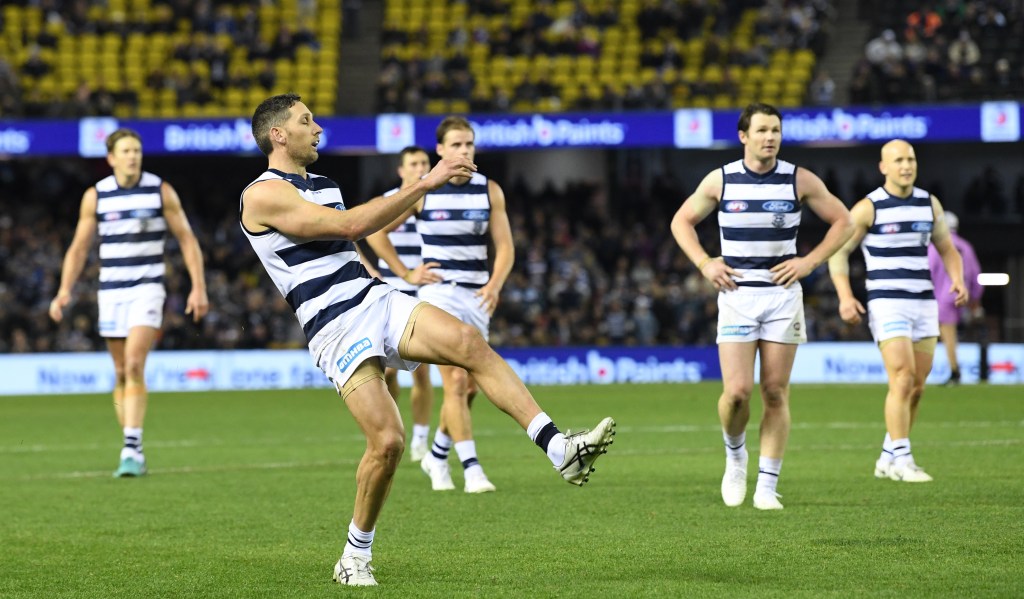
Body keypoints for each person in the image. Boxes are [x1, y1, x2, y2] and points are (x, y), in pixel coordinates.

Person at [239, 94, 615, 586]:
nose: (318, 128)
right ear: (278, 135)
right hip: (335, 326)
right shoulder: (261, 194)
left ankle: (556, 447)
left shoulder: (325, 184)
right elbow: (351, 225)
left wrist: (387, 275)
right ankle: (355, 555)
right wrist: (428, 180)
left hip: (375, 299)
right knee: (388, 442)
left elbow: (346, 251)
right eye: (306, 121)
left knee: (468, 343)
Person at [670, 102, 853, 510]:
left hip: (782, 296)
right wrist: (704, 262)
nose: (770, 137)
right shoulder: (721, 181)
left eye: (775, 130)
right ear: (743, 136)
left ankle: (767, 486)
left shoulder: (798, 179)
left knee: (774, 392)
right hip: (737, 295)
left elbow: (844, 221)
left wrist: (809, 261)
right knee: (736, 393)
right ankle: (736, 455)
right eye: (762, 130)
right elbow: (680, 221)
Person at [48, 128, 209, 477]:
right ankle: (131, 442)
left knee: (135, 364)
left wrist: (198, 287)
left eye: (137, 150)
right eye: (126, 151)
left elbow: (187, 239)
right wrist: (64, 290)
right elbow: (78, 248)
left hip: (147, 288)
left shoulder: (159, 189)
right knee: (121, 371)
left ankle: (131, 449)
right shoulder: (97, 196)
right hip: (111, 291)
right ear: (111, 158)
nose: (133, 156)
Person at [369, 116, 510, 494]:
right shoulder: (425, 189)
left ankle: (436, 452)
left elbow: (506, 247)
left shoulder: (489, 190)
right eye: (458, 145)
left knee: (473, 387)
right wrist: (406, 272)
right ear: (442, 151)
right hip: (439, 294)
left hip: (477, 294)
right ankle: (472, 469)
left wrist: (495, 285)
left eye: (470, 144)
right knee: (456, 380)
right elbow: (376, 231)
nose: (465, 150)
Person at [828, 139, 967, 483]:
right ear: (883, 167)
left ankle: (887, 456)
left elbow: (947, 248)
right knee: (902, 377)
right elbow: (838, 253)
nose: (906, 165)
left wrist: (958, 279)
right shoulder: (867, 208)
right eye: (899, 160)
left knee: (917, 386)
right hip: (887, 301)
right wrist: (845, 297)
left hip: (924, 302)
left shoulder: (928, 204)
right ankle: (904, 461)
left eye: (911, 159)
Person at [364, 146, 439, 461]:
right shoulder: (387, 203)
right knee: (388, 374)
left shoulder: (435, 202)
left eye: (424, 162)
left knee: (422, 372)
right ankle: (392, 431)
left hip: (425, 291)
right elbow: (355, 234)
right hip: (390, 291)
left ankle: (421, 438)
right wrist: (372, 273)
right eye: (414, 163)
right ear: (401, 170)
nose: (421, 167)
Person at [927, 211, 983, 385]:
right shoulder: (966, 246)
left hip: (941, 298)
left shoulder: (936, 246)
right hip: (961, 296)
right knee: (948, 335)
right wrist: (974, 299)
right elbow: (976, 275)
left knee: (945, 336)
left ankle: (954, 371)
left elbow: (927, 271)